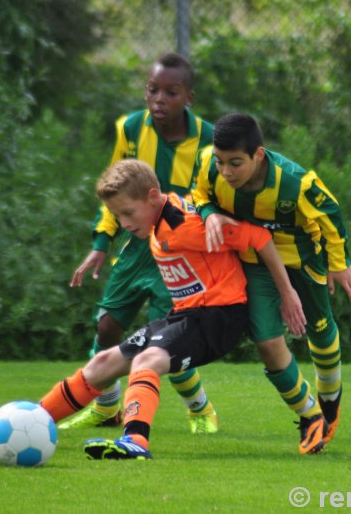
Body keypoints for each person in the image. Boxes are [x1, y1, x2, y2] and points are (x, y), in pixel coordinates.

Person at [0, 159, 318, 459]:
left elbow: (258, 238)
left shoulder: (187, 225)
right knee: (101, 364)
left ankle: (135, 440)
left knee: (148, 361)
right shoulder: (157, 221)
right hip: (188, 315)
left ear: (152, 197)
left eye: (128, 213)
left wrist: (287, 293)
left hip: (218, 316)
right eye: (117, 215)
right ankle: (25, 424)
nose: (125, 222)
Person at [65, 52, 219, 433]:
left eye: (171, 92)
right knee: (106, 325)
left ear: (189, 97)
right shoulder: (131, 129)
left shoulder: (209, 138)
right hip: (136, 247)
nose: (160, 99)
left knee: (164, 338)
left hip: (180, 250)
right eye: (153, 90)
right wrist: (102, 241)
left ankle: (200, 409)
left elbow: (214, 196)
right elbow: (115, 191)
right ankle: (106, 407)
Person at [191, 113, 351, 446]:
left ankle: (329, 403)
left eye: (235, 163)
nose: (225, 171)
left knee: (319, 327)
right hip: (256, 262)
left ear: (259, 155)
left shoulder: (296, 182)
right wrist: (208, 212)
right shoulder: (208, 165)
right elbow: (199, 194)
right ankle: (309, 416)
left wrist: (338, 264)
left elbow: (331, 215)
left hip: (303, 258)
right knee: (266, 341)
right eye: (220, 161)